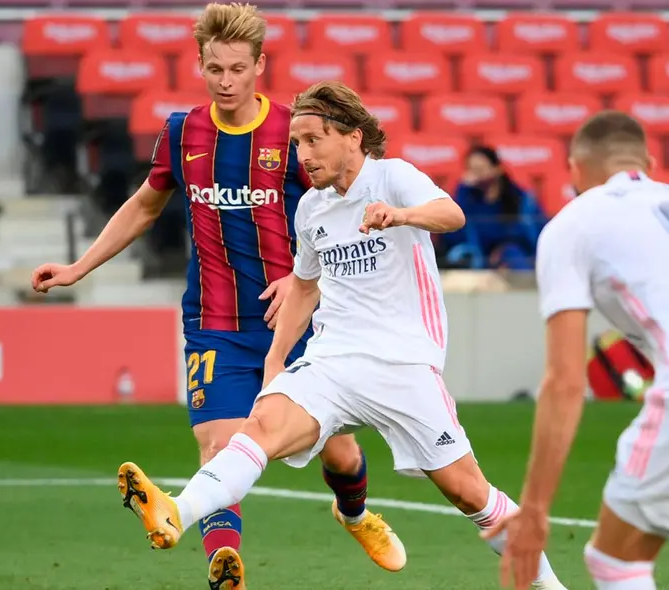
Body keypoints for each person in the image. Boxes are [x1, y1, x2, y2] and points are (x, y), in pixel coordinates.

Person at [115, 80, 567, 590]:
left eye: (313, 140)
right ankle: (179, 510)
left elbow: (452, 214)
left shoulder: (393, 178)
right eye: (296, 144)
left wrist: (401, 215)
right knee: (261, 427)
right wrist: (276, 361)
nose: (303, 155)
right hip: (332, 361)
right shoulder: (312, 209)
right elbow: (304, 288)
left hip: (403, 366)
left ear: (352, 136)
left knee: (470, 494)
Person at [30, 3, 402, 587]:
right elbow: (147, 204)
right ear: (199, 65)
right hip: (214, 321)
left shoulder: (291, 132)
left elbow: (345, 209)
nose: (226, 81)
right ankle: (223, 565)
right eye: (215, 69)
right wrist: (80, 267)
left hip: (295, 322)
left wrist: (310, 276)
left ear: (260, 64)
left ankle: (353, 512)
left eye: (237, 68)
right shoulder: (182, 132)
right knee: (220, 443)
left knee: (341, 455)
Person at [487, 111, 669, 590]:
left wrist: (535, 511)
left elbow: (566, 381)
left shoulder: (572, 226)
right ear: (648, 163)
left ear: (572, 171)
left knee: (617, 563)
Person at [440, 146, 546, 270]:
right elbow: (452, 237)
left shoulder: (521, 200)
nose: (477, 176)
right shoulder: (466, 200)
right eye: (472, 171)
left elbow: (533, 234)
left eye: (480, 169)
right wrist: (462, 192)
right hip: (478, 261)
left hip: (513, 257)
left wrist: (500, 249)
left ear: (497, 169)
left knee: (511, 253)